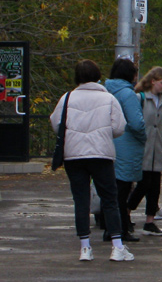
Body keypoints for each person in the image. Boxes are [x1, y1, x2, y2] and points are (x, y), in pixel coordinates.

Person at [50, 59, 134, 262]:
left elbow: (56, 123)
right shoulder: (108, 99)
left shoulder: (67, 98)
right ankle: (117, 247)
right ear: (98, 76)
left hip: (74, 155)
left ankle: (85, 248)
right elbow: (119, 127)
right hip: (101, 154)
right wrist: (103, 134)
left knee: (80, 200)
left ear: (77, 77)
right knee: (109, 199)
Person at [127, 66, 162, 236]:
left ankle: (150, 221)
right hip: (143, 149)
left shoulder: (161, 101)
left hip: (156, 150)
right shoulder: (140, 98)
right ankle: (127, 211)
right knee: (143, 184)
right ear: (153, 81)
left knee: (155, 187)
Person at [104, 58, 145, 243]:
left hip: (107, 145)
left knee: (112, 190)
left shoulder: (106, 90)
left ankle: (110, 227)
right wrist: (145, 138)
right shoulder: (127, 95)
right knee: (123, 190)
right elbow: (136, 123)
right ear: (131, 75)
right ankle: (120, 229)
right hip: (127, 147)